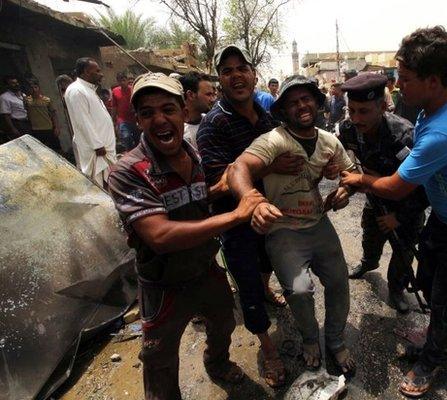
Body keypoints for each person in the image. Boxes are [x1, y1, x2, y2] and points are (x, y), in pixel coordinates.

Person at [340, 26, 447, 397]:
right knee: (430, 285)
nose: (398, 86)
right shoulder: (431, 112)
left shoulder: (444, 130)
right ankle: (441, 339)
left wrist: (359, 179)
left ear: (432, 81)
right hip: (446, 219)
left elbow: (397, 186)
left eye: (405, 78)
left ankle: (434, 358)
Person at [107, 73, 262, 400]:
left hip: (205, 269)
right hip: (162, 284)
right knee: (159, 358)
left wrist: (217, 188)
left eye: (168, 109)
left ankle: (217, 363)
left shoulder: (192, 153)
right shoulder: (127, 172)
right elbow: (160, 235)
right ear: (138, 120)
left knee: (223, 323)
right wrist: (235, 215)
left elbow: (194, 196)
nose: (160, 119)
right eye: (148, 113)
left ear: (183, 111)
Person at [228, 75, 357, 377]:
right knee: (299, 291)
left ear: (317, 103)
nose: (302, 105)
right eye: (293, 102)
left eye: (306, 99)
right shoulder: (274, 140)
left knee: (339, 282)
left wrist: (344, 191)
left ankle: (336, 341)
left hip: (318, 225)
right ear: (283, 110)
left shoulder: (329, 141)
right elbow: (238, 168)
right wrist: (254, 201)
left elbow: (351, 175)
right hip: (284, 231)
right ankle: (311, 339)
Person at [196, 45, 301, 387]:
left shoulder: (267, 117)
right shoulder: (213, 125)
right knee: (248, 286)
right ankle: (268, 348)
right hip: (237, 222)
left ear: (254, 74)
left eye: (242, 68)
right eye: (227, 71)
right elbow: (218, 184)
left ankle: (268, 286)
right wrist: (268, 167)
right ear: (220, 81)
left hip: (272, 215)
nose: (236, 75)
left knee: (270, 264)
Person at [338, 73, 429, 314]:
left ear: (382, 106)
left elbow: (425, 188)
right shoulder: (349, 128)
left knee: (403, 252)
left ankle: (397, 289)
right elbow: (345, 160)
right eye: (352, 110)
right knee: (371, 234)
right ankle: (369, 263)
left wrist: (398, 218)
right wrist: (348, 183)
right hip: (375, 200)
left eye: (364, 111)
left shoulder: (403, 136)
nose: (356, 118)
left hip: (407, 207)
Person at [64, 58, 116, 187]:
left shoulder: (88, 89)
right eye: (97, 71)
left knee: (111, 181)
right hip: (97, 150)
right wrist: (97, 145)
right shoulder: (76, 90)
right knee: (99, 183)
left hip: (104, 148)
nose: (101, 74)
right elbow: (82, 121)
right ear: (86, 72)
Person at [179, 71, 217, 149]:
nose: (213, 99)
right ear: (191, 95)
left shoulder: (212, 122)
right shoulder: (179, 131)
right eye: (208, 94)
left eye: (213, 94)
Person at [25, 79, 62, 153]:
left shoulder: (47, 100)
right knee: (40, 151)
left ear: (38, 88)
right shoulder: (26, 100)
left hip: (48, 128)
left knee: (56, 150)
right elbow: (27, 112)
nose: (34, 90)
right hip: (35, 130)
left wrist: (57, 127)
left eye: (35, 87)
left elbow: (53, 114)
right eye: (31, 88)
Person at [111, 72, 140, 152]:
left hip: (134, 118)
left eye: (124, 80)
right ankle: (130, 153)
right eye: (120, 81)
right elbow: (114, 106)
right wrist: (113, 120)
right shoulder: (115, 91)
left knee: (138, 138)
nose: (122, 83)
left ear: (127, 80)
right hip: (123, 119)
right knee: (126, 137)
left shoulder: (133, 89)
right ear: (118, 82)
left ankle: (139, 154)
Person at [1, 75, 31, 139]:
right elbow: (6, 115)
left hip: (27, 122)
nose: (16, 84)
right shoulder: (4, 97)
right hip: (17, 124)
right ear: (7, 85)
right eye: (13, 83)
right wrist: (13, 129)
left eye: (17, 82)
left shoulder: (23, 95)